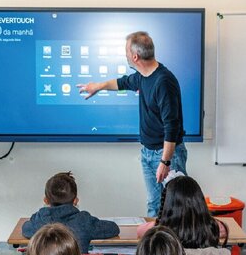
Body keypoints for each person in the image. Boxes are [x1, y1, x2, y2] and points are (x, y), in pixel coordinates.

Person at [78, 31, 186, 217]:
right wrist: (97, 86)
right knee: (154, 206)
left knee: (177, 208)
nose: (125, 55)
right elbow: (121, 83)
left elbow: (172, 126)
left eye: (126, 51)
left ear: (135, 56)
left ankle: (179, 238)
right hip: (148, 153)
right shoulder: (142, 76)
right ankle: (155, 237)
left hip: (167, 154)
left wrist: (165, 161)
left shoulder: (164, 81)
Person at [136, 173, 231, 255]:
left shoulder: (161, 228)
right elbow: (224, 229)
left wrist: (158, 221)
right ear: (200, 201)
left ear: (167, 203)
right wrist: (206, 218)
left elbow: (139, 230)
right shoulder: (211, 226)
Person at [21, 172, 119, 254]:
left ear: (46, 200)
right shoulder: (84, 221)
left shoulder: (40, 220)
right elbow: (113, 228)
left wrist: (36, 216)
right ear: (75, 200)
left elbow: (25, 228)